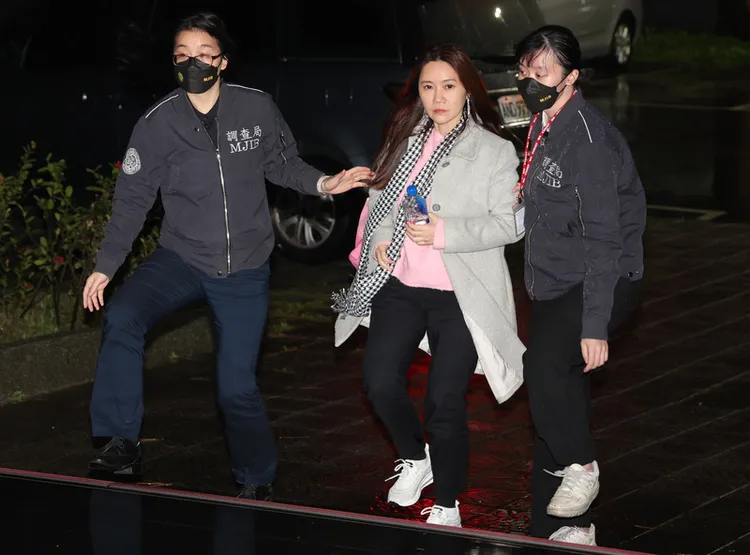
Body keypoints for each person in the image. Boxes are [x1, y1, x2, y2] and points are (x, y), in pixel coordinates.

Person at [82, 12, 372, 500]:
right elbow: (131, 200)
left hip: (245, 266)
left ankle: (256, 477)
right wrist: (106, 264)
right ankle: (120, 442)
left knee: (236, 387)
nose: (192, 64)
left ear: (222, 61)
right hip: (181, 257)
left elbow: (283, 164)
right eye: (182, 56)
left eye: (203, 55)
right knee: (124, 314)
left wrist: (325, 183)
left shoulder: (255, 107)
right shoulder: (156, 123)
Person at [332, 43, 526, 527]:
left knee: (444, 400)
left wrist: (445, 233)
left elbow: (509, 223)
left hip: (460, 293)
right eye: (428, 87)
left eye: (449, 86)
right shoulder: (405, 138)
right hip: (401, 283)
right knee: (378, 382)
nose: (438, 97)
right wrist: (381, 239)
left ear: (468, 90)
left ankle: (448, 502)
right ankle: (416, 458)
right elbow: (381, 200)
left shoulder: (494, 150)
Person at [514, 26, 646, 545]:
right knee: (558, 397)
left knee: (545, 367)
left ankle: (582, 465)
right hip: (555, 280)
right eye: (525, 70)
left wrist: (595, 325)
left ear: (571, 78)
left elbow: (604, 240)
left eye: (542, 73)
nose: (529, 81)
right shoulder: (544, 122)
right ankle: (563, 528)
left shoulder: (588, 141)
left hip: (602, 278)